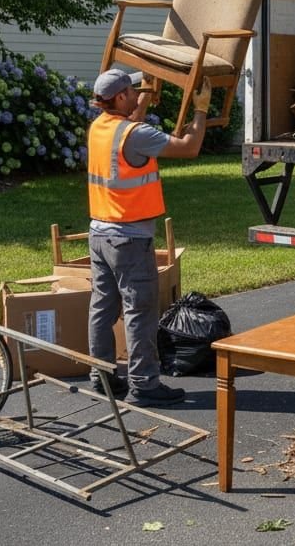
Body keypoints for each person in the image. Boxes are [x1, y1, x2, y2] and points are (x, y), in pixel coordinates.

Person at [86, 68, 212, 408]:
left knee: (102, 308)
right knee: (139, 311)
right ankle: (143, 385)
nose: (136, 94)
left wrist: (143, 99)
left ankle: (101, 375)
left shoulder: (99, 127)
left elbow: (129, 126)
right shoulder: (135, 134)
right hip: (129, 239)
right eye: (132, 91)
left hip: (99, 235)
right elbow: (189, 148)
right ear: (120, 97)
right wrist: (201, 108)